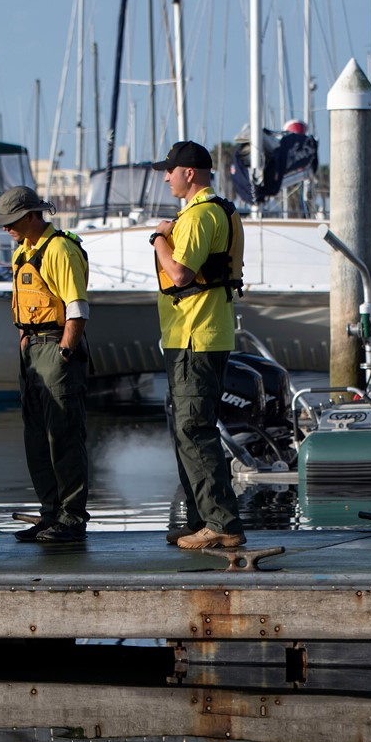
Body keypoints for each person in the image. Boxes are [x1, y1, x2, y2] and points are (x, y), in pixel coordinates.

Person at [149, 140, 246, 550]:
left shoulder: (199, 217)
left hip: (195, 335)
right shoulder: (220, 210)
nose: (166, 177)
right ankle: (201, 520)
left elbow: (180, 274)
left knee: (193, 427)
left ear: (189, 173)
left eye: (170, 170)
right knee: (187, 429)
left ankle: (221, 522)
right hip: (199, 332)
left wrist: (157, 238)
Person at [0, 185, 91, 544]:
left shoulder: (60, 249)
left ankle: (71, 517)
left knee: (63, 436)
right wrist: (23, 343)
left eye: (12, 220)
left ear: (33, 216)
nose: (6, 228)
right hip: (32, 349)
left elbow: (76, 308)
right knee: (37, 438)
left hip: (54, 347)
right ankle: (50, 513)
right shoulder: (23, 251)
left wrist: (65, 352)